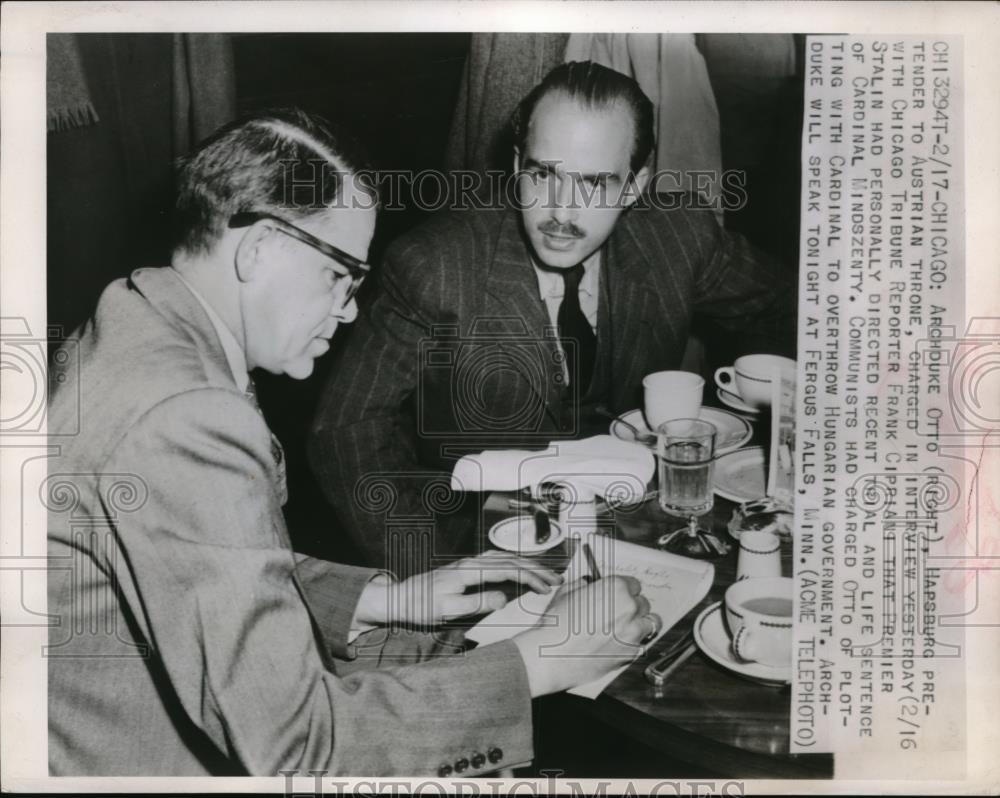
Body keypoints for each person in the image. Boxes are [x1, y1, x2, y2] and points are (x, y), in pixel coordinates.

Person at [46, 109, 659, 776]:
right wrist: (545, 661)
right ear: (260, 250)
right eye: (343, 274)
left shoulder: (137, 318)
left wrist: (383, 599)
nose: (349, 309)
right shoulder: (187, 413)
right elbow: (300, 750)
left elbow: (192, 560)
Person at [309, 62, 797, 573]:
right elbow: (344, 430)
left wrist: (771, 424)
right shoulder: (436, 266)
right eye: (544, 174)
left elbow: (793, 311)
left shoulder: (678, 237)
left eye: (596, 183)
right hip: (497, 540)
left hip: (652, 530)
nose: (563, 212)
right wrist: (435, 570)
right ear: (517, 165)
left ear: (635, 185)